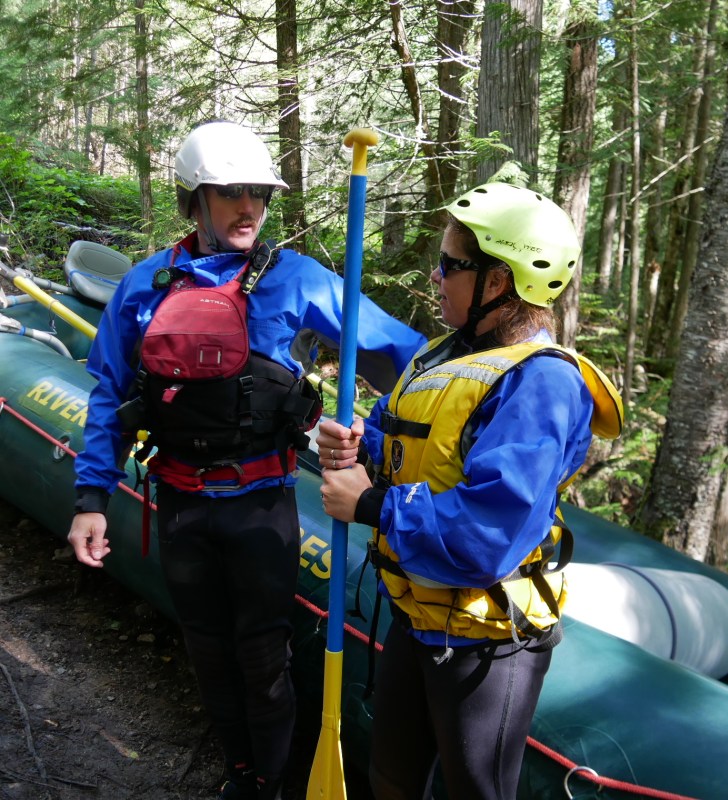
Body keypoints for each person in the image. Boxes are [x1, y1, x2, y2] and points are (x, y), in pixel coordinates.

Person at [66, 119, 427, 800]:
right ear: (194, 199)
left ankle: (269, 781)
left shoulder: (298, 280)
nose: (249, 208)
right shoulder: (145, 286)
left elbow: (404, 359)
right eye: (230, 192)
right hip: (178, 502)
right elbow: (111, 396)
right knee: (206, 646)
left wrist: (370, 437)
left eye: (258, 192)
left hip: (261, 504)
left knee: (262, 653)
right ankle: (241, 773)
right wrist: (91, 501)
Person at [316, 182, 622, 800]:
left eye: (452, 265)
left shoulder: (542, 384)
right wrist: (356, 445)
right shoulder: (440, 355)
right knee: (392, 780)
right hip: (415, 614)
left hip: (486, 641)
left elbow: (489, 533)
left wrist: (369, 504)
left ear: (499, 282)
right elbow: (402, 445)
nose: (436, 276)